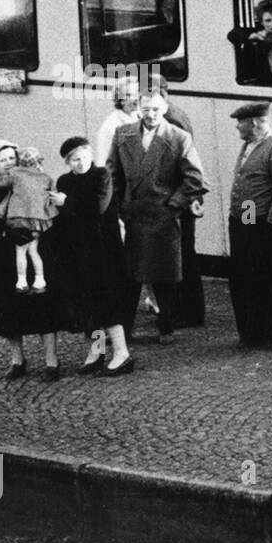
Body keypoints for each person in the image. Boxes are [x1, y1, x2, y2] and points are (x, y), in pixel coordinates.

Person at [108, 86, 208, 345]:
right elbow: (112, 173)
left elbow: (195, 179)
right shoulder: (122, 134)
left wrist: (173, 205)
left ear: (165, 109)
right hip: (134, 216)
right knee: (129, 277)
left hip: (163, 218)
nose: (150, 114)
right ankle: (124, 330)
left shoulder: (178, 137)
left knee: (164, 276)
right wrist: (119, 205)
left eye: (156, 109)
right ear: (137, 108)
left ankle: (166, 327)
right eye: (146, 108)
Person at [0, 140, 65, 381]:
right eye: (2, 160)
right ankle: (17, 359)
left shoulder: (36, 180)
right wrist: (6, 233)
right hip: (4, 259)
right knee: (9, 311)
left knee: (45, 309)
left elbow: (51, 212)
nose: (8, 163)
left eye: (11, 158)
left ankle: (51, 360)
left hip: (37, 251)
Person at [51, 137, 133, 377]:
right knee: (88, 304)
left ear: (91, 156)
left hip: (103, 250)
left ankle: (122, 353)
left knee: (107, 300)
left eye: (84, 156)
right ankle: (97, 352)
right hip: (78, 250)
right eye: (74, 159)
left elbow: (98, 207)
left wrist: (67, 202)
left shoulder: (102, 176)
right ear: (67, 162)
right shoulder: (64, 181)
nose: (80, 162)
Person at [227, 102, 272, 352]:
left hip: (266, 224)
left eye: (240, 122)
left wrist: (270, 222)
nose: (237, 127)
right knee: (247, 276)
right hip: (246, 220)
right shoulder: (248, 145)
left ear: (254, 123)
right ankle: (254, 332)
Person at [162, 90, 205, 329]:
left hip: (178, 200)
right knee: (185, 255)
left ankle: (187, 312)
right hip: (185, 197)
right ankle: (190, 311)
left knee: (181, 257)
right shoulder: (176, 113)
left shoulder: (171, 121)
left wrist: (176, 201)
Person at [0, 146, 58, 294]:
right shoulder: (46, 177)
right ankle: (40, 281)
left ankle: (22, 282)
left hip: (19, 220)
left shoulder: (14, 173)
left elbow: (0, 183)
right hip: (38, 221)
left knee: (20, 251)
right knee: (34, 251)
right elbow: (53, 193)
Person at [94, 77, 141, 177]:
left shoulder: (141, 116)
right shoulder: (110, 126)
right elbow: (104, 163)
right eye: (130, 95)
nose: (137, 98)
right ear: (120, 100)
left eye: (137, 92)